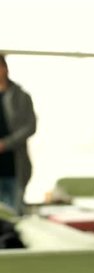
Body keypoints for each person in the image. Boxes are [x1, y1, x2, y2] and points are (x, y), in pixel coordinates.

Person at [0, 54, 36, 215]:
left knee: (14, 216)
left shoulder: (22, 96)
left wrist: (6, 144)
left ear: (5, 68)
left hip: (15, 165)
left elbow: (30, 126)